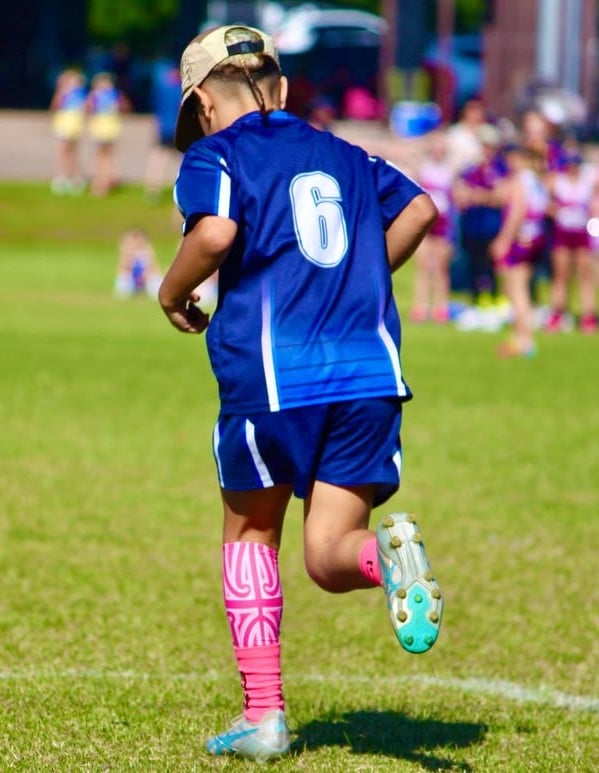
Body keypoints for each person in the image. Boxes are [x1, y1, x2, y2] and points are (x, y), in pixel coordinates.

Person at [158, 24, 442, 762]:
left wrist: (171, 291)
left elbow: (214, 235)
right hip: (369, 375)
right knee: (328, 554)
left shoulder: (215, 154)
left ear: (201, 104)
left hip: (273, 376)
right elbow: (419, 209)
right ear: (280, 88)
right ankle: (384, 557)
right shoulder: (347, 154)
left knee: (251, 532)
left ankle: (264, 716)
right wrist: (355, 279)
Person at [490, 144, 549, 357]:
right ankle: (521, 337)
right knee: (521, 287)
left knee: (517, 290)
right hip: (536, 237)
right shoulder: (537, 181)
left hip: (521, 238)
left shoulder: (520, 181)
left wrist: (503, 240)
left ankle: (524, 340)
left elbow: (517, 212)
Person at [453, 123, 507, 308]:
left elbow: (501, 197)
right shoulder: (470, 169)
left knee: (493, 264)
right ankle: (476, 300)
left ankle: (496, 298)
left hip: (492, 225)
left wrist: (479, 196)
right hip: (472, 225)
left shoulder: (500, 169)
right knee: (473, 263)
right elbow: (460, 194)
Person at [545, 148, 598, 333]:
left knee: (585, 274)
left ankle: (588, 315)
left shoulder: (587, 182)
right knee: (561, 274)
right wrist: (554, 210)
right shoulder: (558, 182)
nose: (572, 168)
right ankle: (557, 313)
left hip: (581, 232)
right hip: (562, 232)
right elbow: (546, 203)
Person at [411, 129, 456, 323]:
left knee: (441, 267)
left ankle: (441, 307)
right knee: (423, 265)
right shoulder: (424, 168)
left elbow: (454, 199)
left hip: (443, 220)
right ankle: (421, 306)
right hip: (426, 218)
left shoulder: (450, 171)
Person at [86, 72, 130, 196]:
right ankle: (107, 181)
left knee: (102, 157)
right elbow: (125, 107)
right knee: (107, 157)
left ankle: (102, 183)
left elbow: (88, 109)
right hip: (109, 128)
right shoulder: (114, 94)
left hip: (102, 128)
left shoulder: (97, 95)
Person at [144, 60, 182, 200]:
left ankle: (153, 188)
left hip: (163, 127)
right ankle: (183, 186)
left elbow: (155, 106)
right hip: (175, 128)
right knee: (181, 160)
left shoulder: (161, 89)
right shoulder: (179, 89)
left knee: (158, 158)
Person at [49, 68, 87, 195]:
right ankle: (62, 176)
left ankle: (74, 177)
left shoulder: (80, 94)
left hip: (74, 126)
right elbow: (55, 106)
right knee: (62, 151)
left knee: (72, 153)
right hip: (63, 125)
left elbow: (85, 109)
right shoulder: (63, 93)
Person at [114, 228, 162, 298]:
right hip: (130, 277)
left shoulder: (148, 250)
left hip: (147, 277)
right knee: (122, 290)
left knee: (156, 286)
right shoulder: (126, 251)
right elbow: (122, 268)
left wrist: (147, 274)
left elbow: (154, 267)